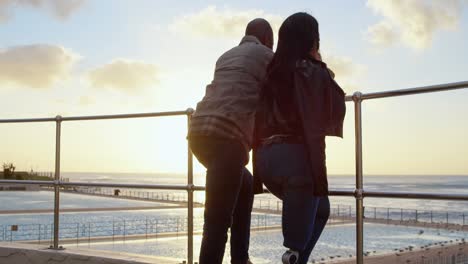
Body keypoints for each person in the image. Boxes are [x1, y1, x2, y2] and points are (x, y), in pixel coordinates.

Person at [253, 12, 346, 264]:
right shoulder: (310, 70)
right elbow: (336, 109)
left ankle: (297, 258)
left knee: (322, 208)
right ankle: (294, 256)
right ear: (311, 41)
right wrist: (322, 66)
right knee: (295, 241)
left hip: (265, 162)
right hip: (296, 164)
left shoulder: (271, 73)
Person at [188, 18, 274, 264]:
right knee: (217, 221)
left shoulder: (225, 55)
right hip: (229, 138)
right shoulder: (267, 55)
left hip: (198, 134)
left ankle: (240, 258)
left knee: (244, 185)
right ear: (268, 39)